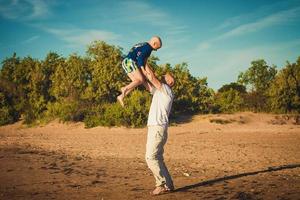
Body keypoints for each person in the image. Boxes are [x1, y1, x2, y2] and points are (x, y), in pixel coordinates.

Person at [144, 71, 175, 195]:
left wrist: (143, 59)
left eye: (166, 76)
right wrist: (139, 70)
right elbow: (146, 81)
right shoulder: (158, 92)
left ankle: (160, 184)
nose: (163, 76)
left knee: (150, 157)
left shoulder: (166, 90)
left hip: (157, 128)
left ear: (170, 82)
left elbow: (151, 76)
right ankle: (169, 184)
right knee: (158, 158)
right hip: (156, 128)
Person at [117, 36, 162, 107]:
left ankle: (121, 96)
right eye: (156, 48)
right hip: (129, 61)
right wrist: (143, 70)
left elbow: (141, 58)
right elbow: (141, 58)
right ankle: (124, 88)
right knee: (141, 79)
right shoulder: (149, 48)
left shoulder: (144, 44)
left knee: (136, 81)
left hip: (125, 62)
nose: (155, 50)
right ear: (154, 44)